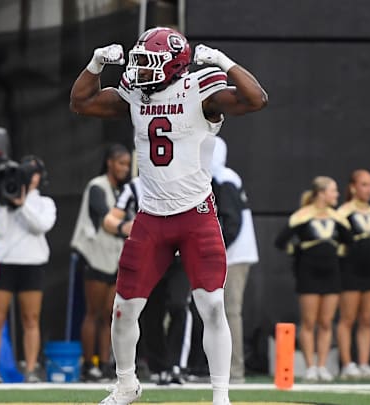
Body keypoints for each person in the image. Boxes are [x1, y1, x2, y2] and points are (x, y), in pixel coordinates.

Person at [69, 26, 267, 405]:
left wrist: (224, 62)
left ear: (174, 65)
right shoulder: (135, 93)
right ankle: (126, 383)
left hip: (195, 215)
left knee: (211, 305)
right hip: (152, 215)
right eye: (139, 61)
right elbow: (82, 102)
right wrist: (95, 64)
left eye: (148, 62)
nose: (140, 69)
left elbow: (255, 98)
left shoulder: (199, 88)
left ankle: (221, 396)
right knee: (124, 308)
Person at [103, 176, 193, 385]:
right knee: (152, 311)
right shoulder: (136, 186)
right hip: (150, 257)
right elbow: (110, 219)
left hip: (179, 256)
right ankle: (160, 366)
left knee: (179, 306)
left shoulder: (186, 182)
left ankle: (177, 365)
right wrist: (125, 226)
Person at [0, 155, 56, 383]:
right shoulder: (3, 198)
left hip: (32, 263)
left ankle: (31, 370)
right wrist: (5, 201)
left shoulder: (45, 203)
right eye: (27, 172)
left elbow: (40, 227)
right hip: (3, 262)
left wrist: (22, 204)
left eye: (34, 173)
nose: (31, 177)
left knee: (31, 318)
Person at [274, 176, 353, 382]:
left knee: (326, 322)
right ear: (321, 193)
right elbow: (281, 241)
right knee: (309, 322)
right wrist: (298, 252)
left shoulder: (337, 218)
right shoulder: (302, 216)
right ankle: (310, 366)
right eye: (333, 191)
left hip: (331, 274)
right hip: (308, 274)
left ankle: (322, 366)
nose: (336, 195)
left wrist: (336, 254)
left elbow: (349, 241)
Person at [70, 144, 130, 382]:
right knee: (92, 313)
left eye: (127, 164)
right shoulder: (97, 186)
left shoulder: (123, 192)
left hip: (115, 258)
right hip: (95, 256)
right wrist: (127, 225)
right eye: (120, 163)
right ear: (109, 163)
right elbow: (106, 219)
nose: (124, 168)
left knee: (109, 315)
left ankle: (105, 364)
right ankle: (88, 365)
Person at [210, 137, 259, 383]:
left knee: (230, 312)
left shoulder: (222, 177)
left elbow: (232, 222)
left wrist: (214, 250)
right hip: (233, 252)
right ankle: (221, 369)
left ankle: (234, 371)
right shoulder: (222, 176)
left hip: (234, 254)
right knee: (220, 312)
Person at [336, 170, 370, 380]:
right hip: (349, 271)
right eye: (364, 185)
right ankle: (348, 364)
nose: (368, 189)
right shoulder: (343, 213)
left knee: (366, 320)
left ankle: (364, 363)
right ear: (353, 187)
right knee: (348, 319)